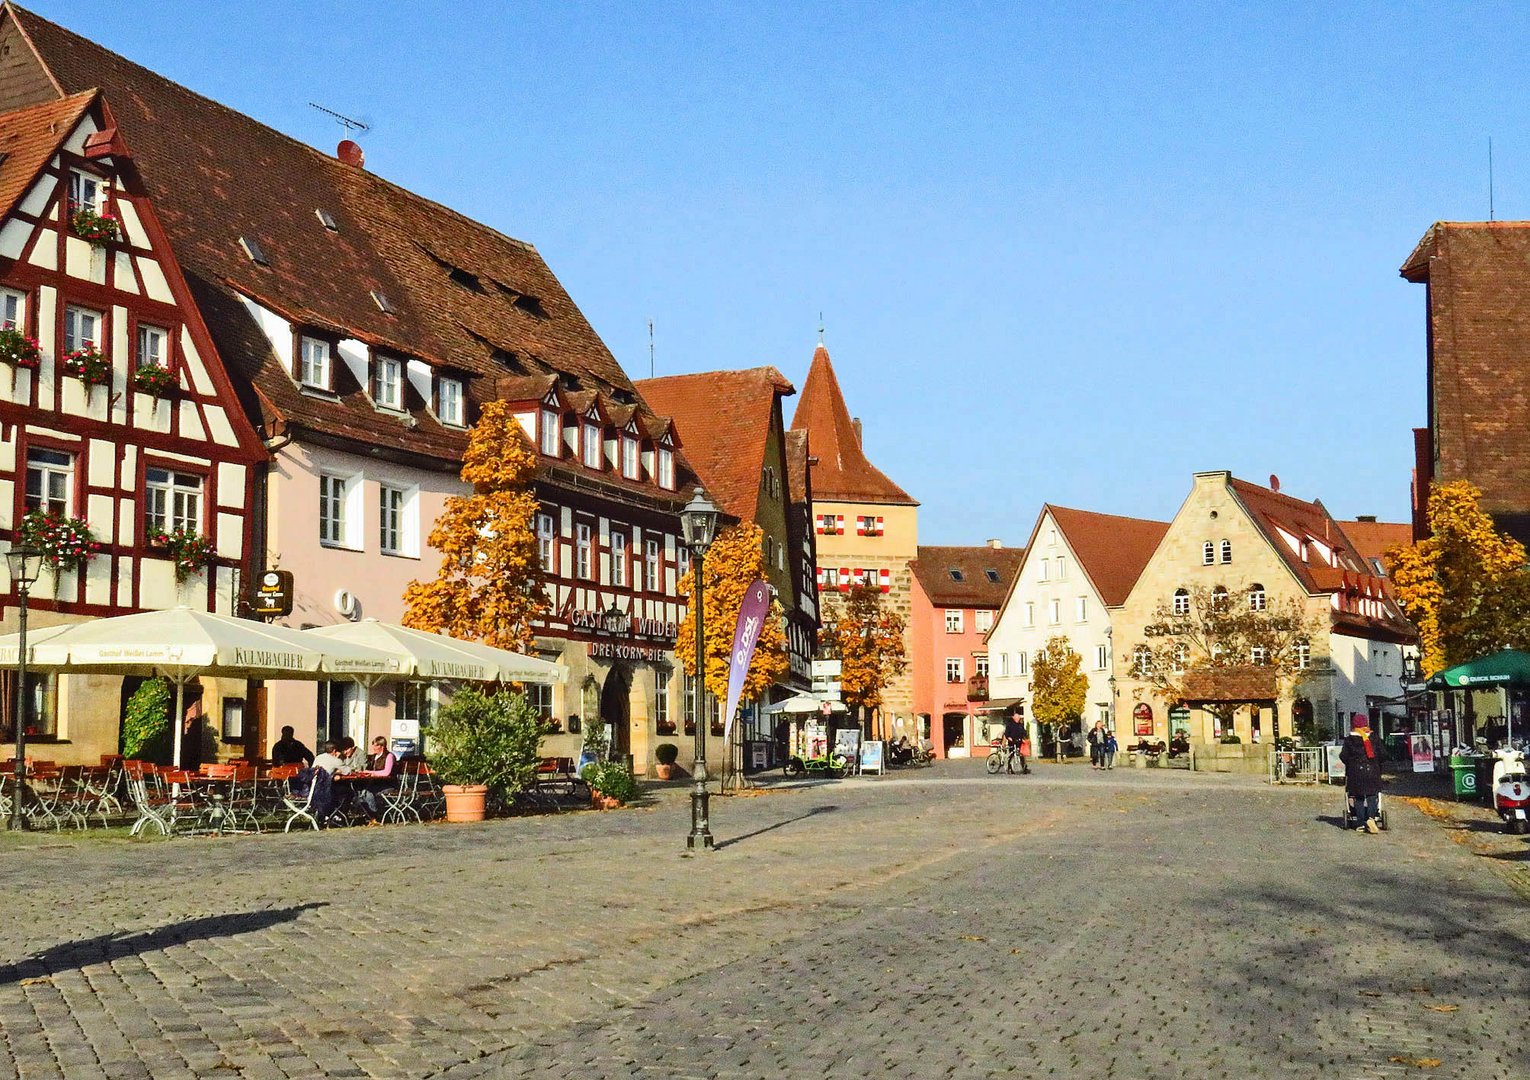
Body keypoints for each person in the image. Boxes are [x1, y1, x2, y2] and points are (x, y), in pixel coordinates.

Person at [1340, 713, 1384, 834]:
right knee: (1372, 795)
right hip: (1372, 771)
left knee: (1358, 797)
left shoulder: (1349, 740)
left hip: (1355, 773)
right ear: (1366, 724)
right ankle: (1371, 818)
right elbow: (1383, 754)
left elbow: (1343, 756)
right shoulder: (1374, 738)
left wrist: (1351, 763)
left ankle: (1360, 823)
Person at [354, 736, 398, 822]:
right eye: (373, 745)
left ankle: (374, 814)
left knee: (367, 793)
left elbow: (386, 772)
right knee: (360, 791)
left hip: (387, 784)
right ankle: (368, 814)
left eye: (376, 746)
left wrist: (371, 773)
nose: (373, 748)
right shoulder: (374, 757)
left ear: (382, 746)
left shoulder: (389, 756)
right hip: (375, 783)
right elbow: (370, 769)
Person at [1003, 707, 1031, 774]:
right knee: (1011, 755)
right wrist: (1009, 737)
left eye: (1019, 718)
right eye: (1017, 718)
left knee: (1021, 755)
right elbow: (1006, 733)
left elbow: (1024, 732)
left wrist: (1025, 738)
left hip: (1019, 742)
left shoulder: (1020, 725)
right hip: (1012, 742)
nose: (1018, 719)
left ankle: (1024, 768)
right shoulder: (1010, 724)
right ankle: (1010, 768)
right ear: (1014, 718)